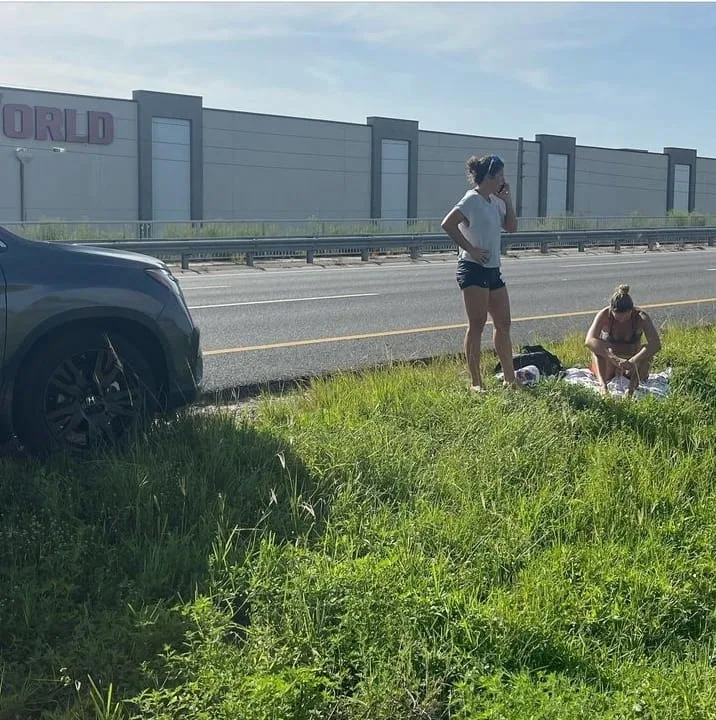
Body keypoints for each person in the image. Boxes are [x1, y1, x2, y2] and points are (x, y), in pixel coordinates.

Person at [441, 154, 518, 391]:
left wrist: (508, 200)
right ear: (490, 176)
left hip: (494, 269)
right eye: (501, 176)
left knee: (503, 323)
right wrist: (471, 249)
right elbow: (448, 223)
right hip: (473, 269)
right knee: (477, 324)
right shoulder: (472, 199)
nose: (504, 180)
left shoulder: (494, 201)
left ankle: (510, 379)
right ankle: (476, 383)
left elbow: (512, 228)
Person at [584, 284, 662, 396]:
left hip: (632, 364)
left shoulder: (641, 316)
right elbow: (589, 340)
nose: (621, 321)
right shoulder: (604, 315)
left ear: (631, 310)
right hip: (610, 362)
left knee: (647, 352)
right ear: (611, 310)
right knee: (597, 348)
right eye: (618, 317)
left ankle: (632, 388)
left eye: (625, 317)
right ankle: (603, 386)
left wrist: (633, 360)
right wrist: (613, 358)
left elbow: (655, 344)